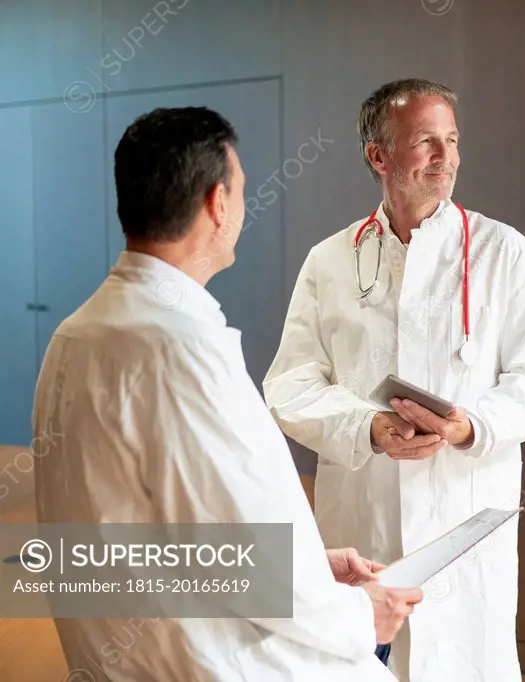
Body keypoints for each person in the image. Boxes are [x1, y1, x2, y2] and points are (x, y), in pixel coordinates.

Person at [31, 106, 422, 681]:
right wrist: (356, 616)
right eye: (240, 192)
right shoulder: (176, 348)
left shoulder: (78, 333)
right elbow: (246, 551)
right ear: (218, 204)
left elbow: (160, 531)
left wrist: (310, 568)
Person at [262, 78, 525, 681]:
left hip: (464, 517)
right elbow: (290, 384)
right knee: (365, 666)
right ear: (378, 156)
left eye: (451, 140)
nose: (445, 156)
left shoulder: (503, 252)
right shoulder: (330, 260)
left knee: (465, 661)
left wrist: (470, 426)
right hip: (362, 516)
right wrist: (367, 427)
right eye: (425, 141)